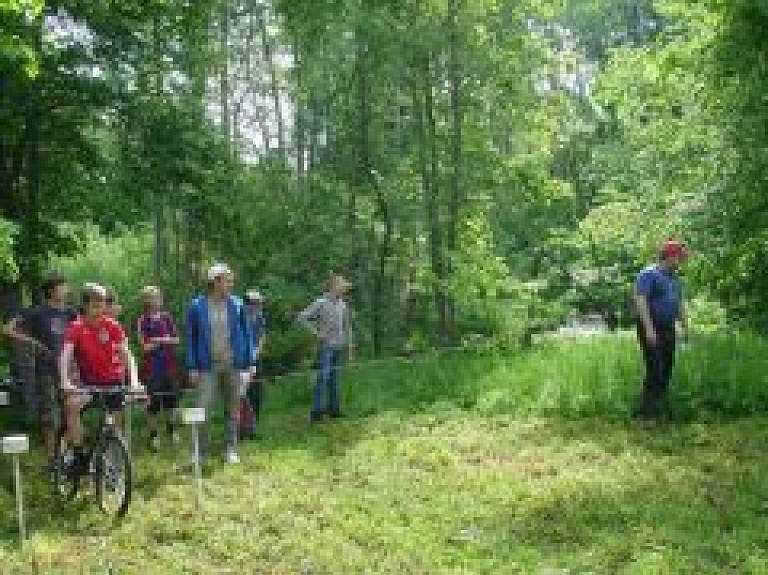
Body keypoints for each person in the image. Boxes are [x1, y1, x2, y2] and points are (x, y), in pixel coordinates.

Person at [58, 283, 143, 469]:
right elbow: (65, 355)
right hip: (88, 384)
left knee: (115, 425)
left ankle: (114, 467)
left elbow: (127, 354)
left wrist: (135, 380)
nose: (100, 309)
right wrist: (65, 380)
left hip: (114, 381)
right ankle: (78, 453)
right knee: (71, 406)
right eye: (96, 305)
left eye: (103, 304)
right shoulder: (76, 327)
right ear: (85, 305)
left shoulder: (112, 325)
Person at [2, 274, 78, 461]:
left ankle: (67, 456)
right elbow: (7, 329)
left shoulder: (71, 312)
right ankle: (52, 460)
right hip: (46, 370)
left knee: (70, 412)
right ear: (51, 291)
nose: (66, 290)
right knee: (49, 416)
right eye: (62, 286)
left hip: (68, 372)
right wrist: (33, 341)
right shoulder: (36, 312)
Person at [185, 263, 253, 464]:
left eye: (231, 280)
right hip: (207, 366)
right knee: (202, 407)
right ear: (215, 282)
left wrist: (249, 364)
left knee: (233, 407)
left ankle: (230, 448)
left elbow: (246, 333)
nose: (231, 284)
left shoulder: (237, 304)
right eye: (227, 280)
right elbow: (190, 337)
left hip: (233, 363)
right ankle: (198, 451)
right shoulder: (196, 306)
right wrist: (192, 366)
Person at [633, 239, 690, 416]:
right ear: (670, 256)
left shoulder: (674, 278)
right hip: (651, 326)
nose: (682, 261)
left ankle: (661, 406)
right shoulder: (649, 274)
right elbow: (640, 300)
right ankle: (645, 411)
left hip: (668, 327)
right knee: (655, 367)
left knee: (667, 367)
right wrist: (649, 329)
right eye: (679, 257)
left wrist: (686, 326)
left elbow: (678, 303)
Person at [298, 274, 355, 423]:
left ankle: (334, 410)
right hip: (326, 346)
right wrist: (317, 333)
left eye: (345, 287)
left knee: (335, 378)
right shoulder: (321, 302)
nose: (344, 289)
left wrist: (350, 348)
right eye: (342, 286)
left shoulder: (343, 304)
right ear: (334, 286)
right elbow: (302, 317)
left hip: (340, 346)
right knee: (322, 378)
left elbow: (347, 327)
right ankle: (316, 413)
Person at [137, 286, 181, 451]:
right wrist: (162, 340)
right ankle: (153, 435)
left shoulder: (166, 317)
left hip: (169, 366)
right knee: (152, 404)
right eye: (154, 297)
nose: (158, 300)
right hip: (151, 368)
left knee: (171, 402)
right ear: (147, 300)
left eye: (159, 296)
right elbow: (145, 347)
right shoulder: (142, 320)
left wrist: (159, 340)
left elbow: (176, 340)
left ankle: (172, 430)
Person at [239, 290, 267, 439]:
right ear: (248, 303)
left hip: (255, 359)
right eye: (256, 302)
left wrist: (257, 352)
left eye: (260, 303)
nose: (259, 305)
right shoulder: (238, 316)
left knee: (256, 393)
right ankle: (241, 428)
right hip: (241, 361)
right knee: (242, 394)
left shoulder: (260, 316)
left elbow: (262, 335)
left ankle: (253, 427)